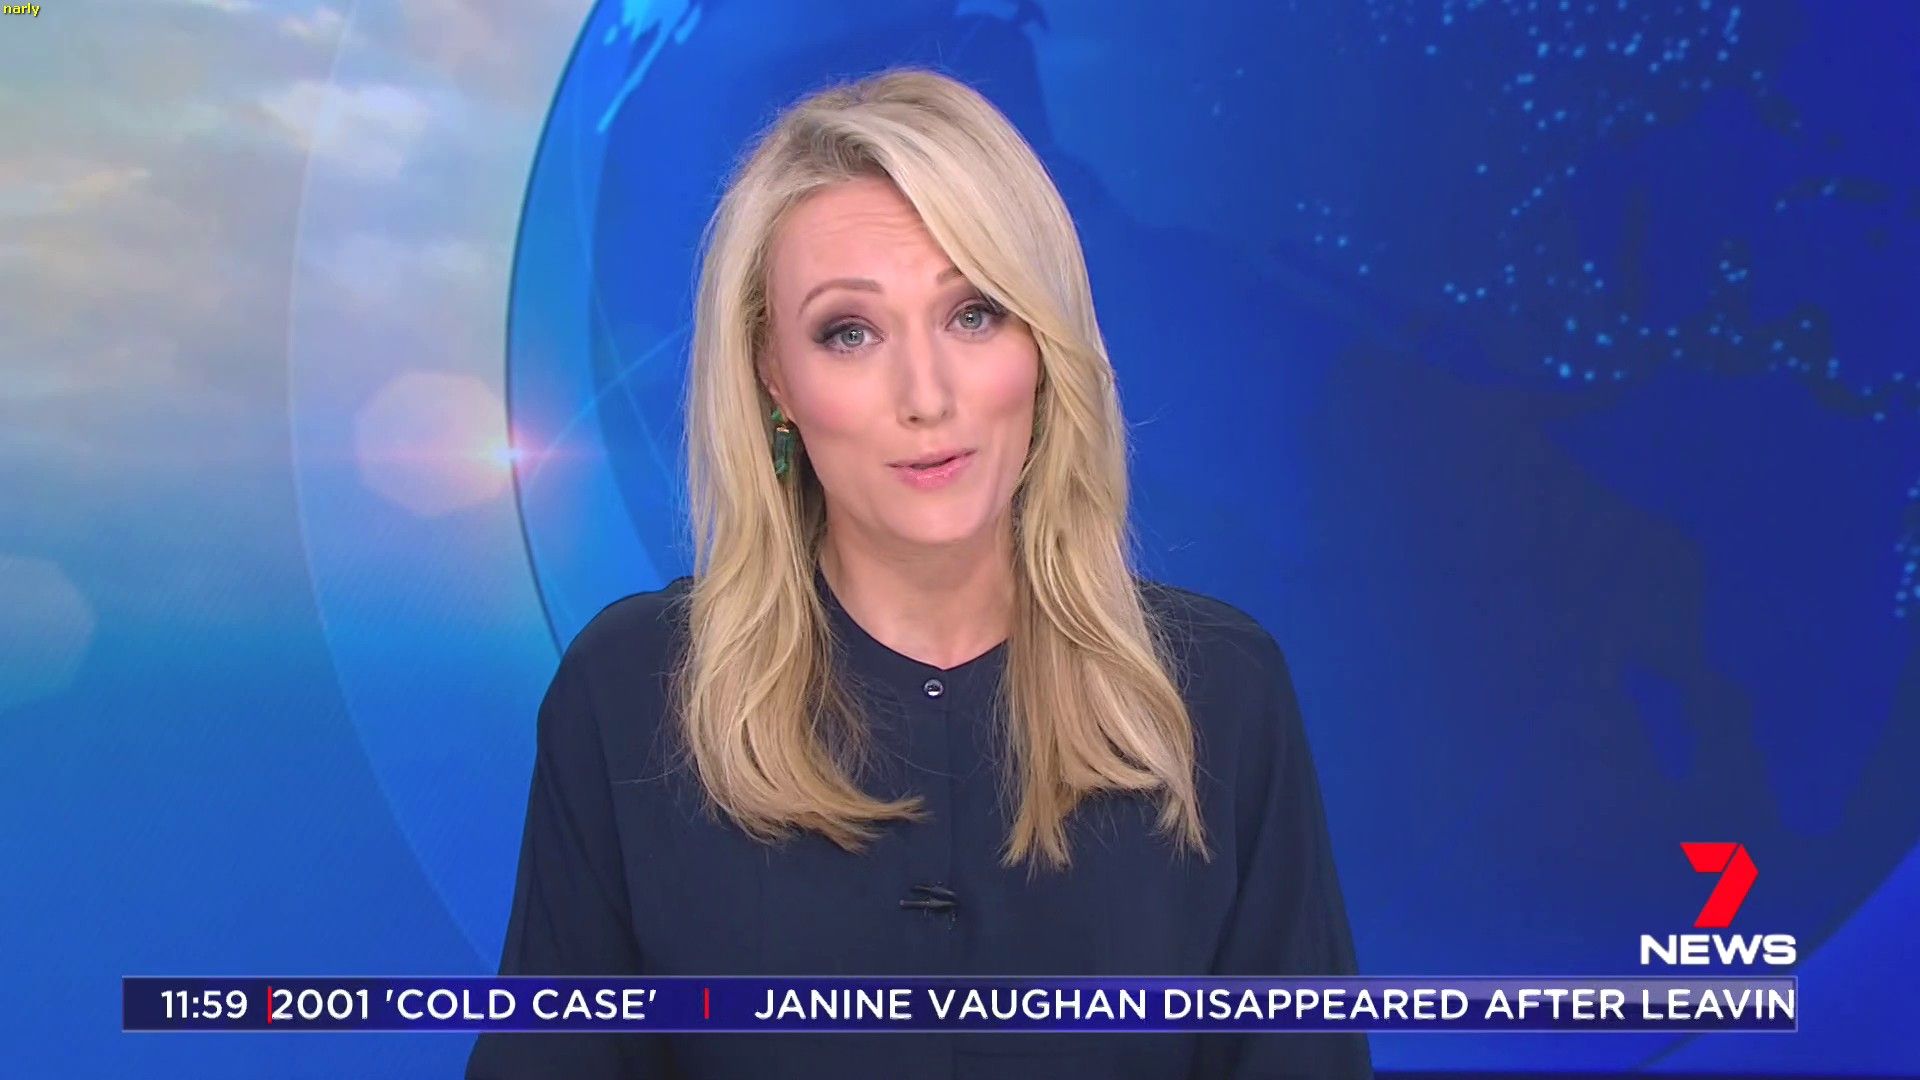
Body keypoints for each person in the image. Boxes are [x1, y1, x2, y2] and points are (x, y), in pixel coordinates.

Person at [467, 66, 1370, 1080]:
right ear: (775, 376)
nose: (927, 396)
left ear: (1044, 344)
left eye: (974, 313)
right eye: (850, 333)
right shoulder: (630, 696)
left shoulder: (1219, 695)